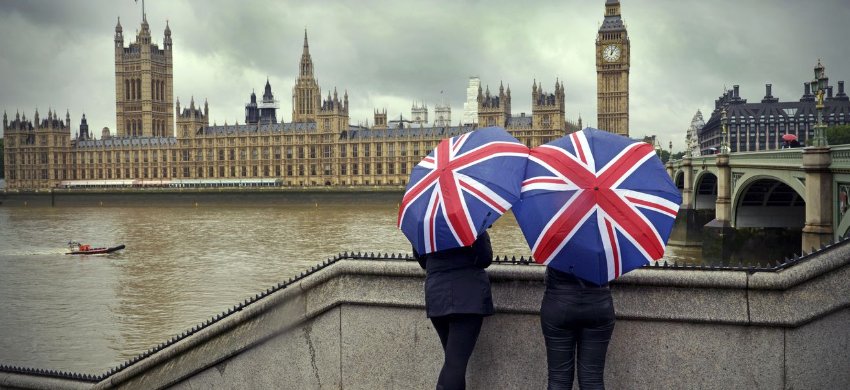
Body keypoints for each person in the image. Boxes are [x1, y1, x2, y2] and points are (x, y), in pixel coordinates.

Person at [413, 231, 494, 390]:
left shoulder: (425, 223)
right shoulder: (470, 220)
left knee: (452, 363)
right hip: (468, 296)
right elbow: (485, 258)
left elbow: (422, 261)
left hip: (437, 296)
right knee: (455, 364)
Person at [540, 266, 615, 390]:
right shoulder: (604, 246)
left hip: (559, 303)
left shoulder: (556, 246)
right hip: (598, 303)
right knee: (593, 380)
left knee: (558, 379)